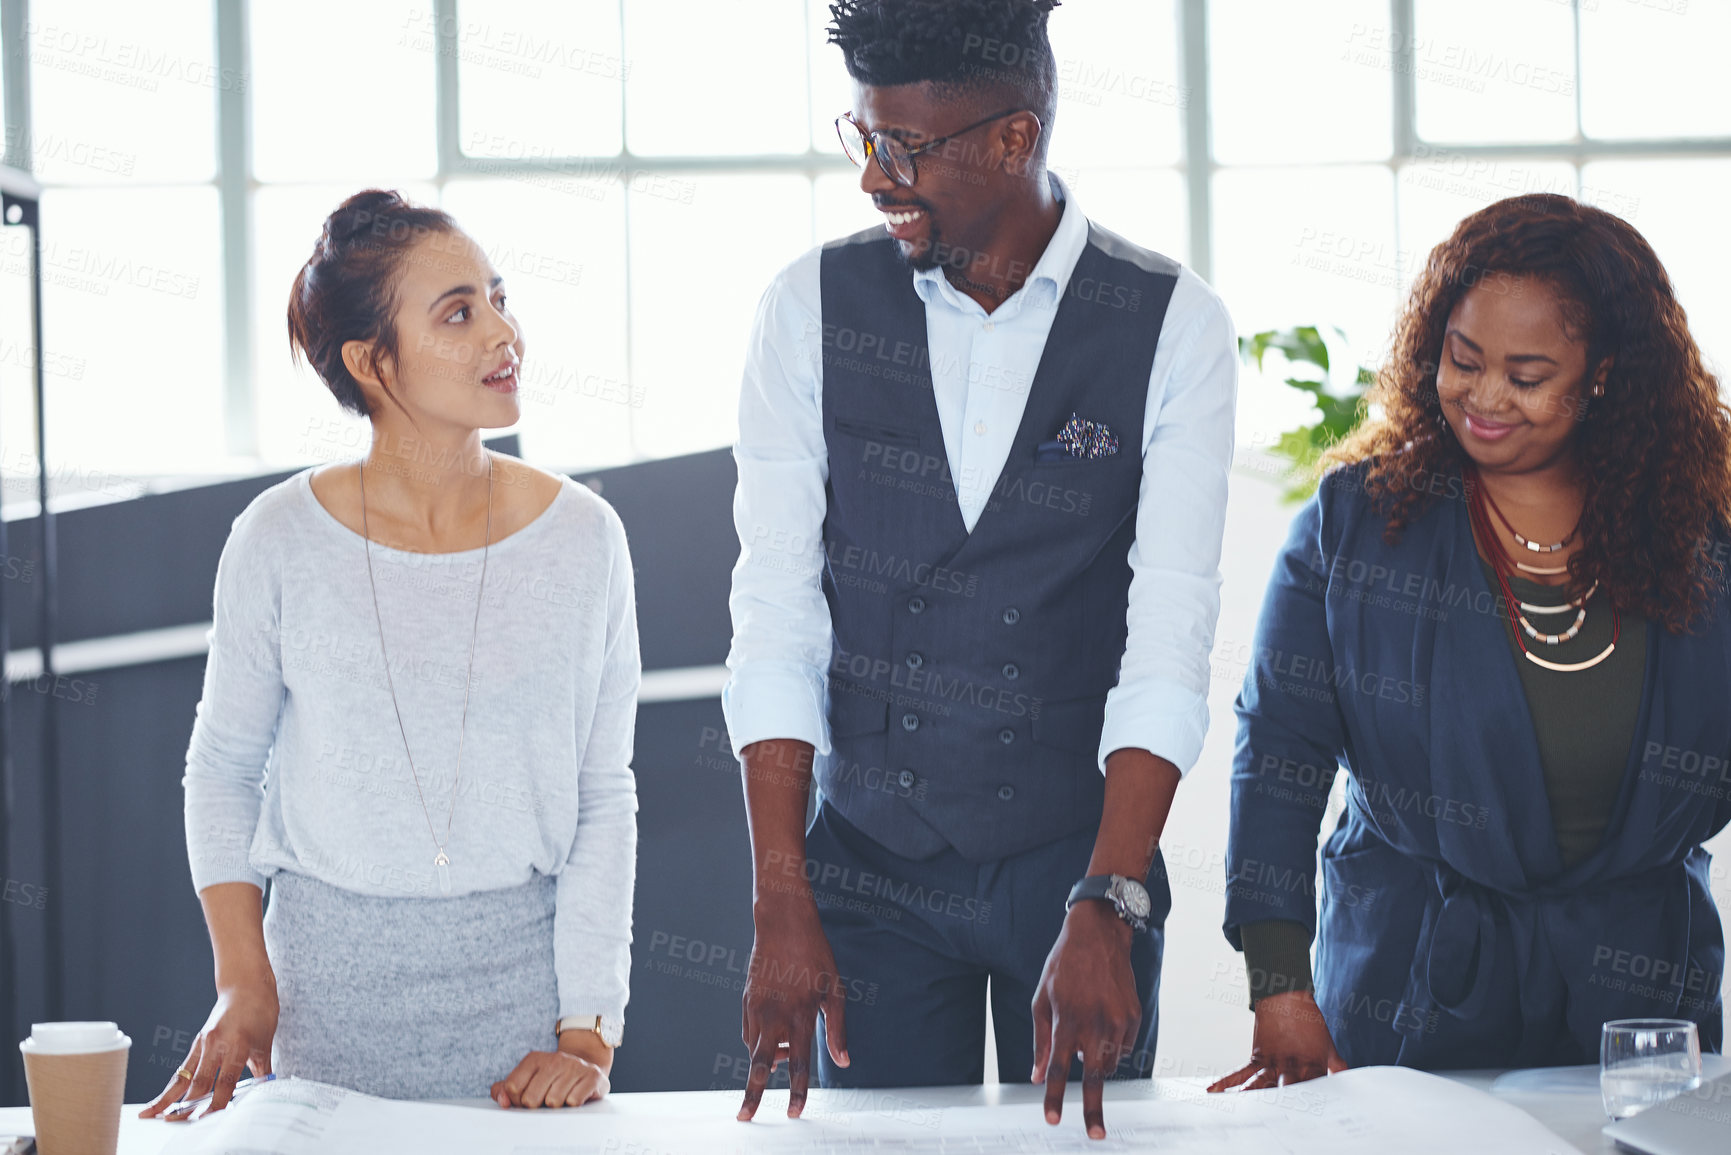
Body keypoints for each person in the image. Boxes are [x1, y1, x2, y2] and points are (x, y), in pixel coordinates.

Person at [724, 0, 1236, 1138]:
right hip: (869, 863)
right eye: (863, 139)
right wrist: (780, 890)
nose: (873, 178)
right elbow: (775, 612)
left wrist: (1112, 896)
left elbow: (1170, 630)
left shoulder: (1172, 324)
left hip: (1078, 857)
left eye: (904, 148)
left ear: (1015, 137)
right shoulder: (806, 308)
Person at [1211, 193, 1731, 1090]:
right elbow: (1279, 754)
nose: (1484, 399)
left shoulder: (1704, 537)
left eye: (1527, 376)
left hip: (1637, 1001)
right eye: (1462, 361)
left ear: (1603, 373)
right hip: (1406, 980)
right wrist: (1278, 984)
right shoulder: (1355, 526)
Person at [141, 189, 640, 1115]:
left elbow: (601, 791)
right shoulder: (277, 537)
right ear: (372, 361)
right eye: (458, 311)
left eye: (498, 296)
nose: (504, 332)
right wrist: (245, 985)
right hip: (325, 1011)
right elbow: (221, 770)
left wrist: (586, 1032)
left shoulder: (585, 537)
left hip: (523, 1023)